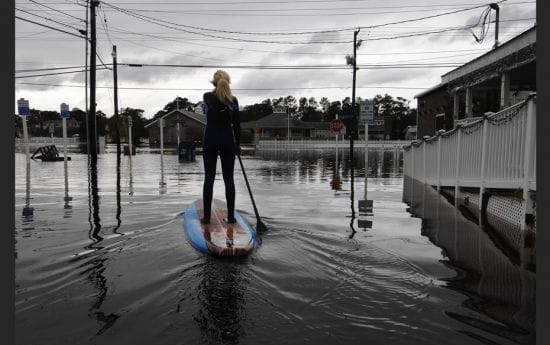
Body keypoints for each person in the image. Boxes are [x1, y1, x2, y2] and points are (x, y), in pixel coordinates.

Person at [201, 70, 241, 225]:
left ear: (213, 83)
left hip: (210, 140)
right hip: (228, 141)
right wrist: (238, 144)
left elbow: (207, 112)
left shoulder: (207, 97)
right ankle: (231, 217)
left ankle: (206, 218)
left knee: (208, 179)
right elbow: (237, 125)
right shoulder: (234, 101)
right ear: (228, 82)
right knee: (229, 179)